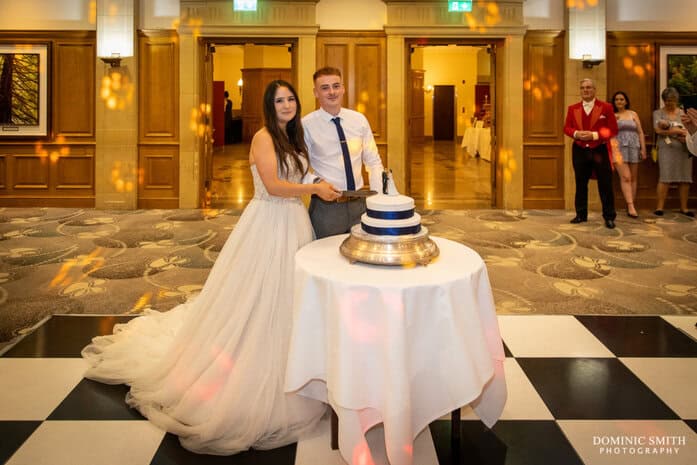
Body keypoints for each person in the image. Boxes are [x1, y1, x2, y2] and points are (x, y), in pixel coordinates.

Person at [81, 80, 340, 455]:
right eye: (279, 100)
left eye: (290, 99)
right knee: (256, 292)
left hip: (294, 224)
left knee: (288, 295)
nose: (286, 105)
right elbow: (273, 185)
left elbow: (301, 177)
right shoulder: (265, 137)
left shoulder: (293, 136)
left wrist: (319, 182)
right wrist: (313, 191)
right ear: (269, 106)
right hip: (268, 221)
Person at [302, 66, 384, 239]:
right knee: (324, 258)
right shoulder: (306, 125)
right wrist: (317, 184)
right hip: (326, 207)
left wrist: (378, 198)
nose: (332, 92)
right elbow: (299, 168)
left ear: (343, 88)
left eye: (336, 86)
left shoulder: (359, 120)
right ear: (316, 93)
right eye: (325, 88)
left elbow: (373, 161)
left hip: (359, 204)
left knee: (361, 255)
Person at [564, 78, 619, 228]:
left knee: (605, 183)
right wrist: (576, 133)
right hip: (580, 149)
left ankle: (609, 216)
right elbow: (566, 128)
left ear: (594, 90)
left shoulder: (606, 107)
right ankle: (581, 214)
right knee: (581, 183)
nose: (585, 90)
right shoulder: (572, 108)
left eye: (588, 87)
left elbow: (613, 129)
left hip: (599, 149)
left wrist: (594, 135)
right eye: (582, 88)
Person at [653, 87, 693, 217]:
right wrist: (676, 131)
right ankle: (659, 208)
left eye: (672, 100)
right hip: (666, 148)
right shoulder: (658, 113)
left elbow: (691, 130)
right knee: (665, 176)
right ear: (664, 100)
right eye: (667, 100)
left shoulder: (684, 113)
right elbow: (658, 131)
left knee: (685, 178)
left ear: (677, 100)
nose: (670, 103)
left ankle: (684, 208)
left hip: (684, 148)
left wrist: (685, 135)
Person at [611, 91, 647, 218]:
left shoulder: (633, 114)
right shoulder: (613, 116)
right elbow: (609, 134)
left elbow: (640, 132)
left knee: (633, 178)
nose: (619, 101)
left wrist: (643, 149)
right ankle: (631, 205)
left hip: (634, 147)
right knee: (626, 177)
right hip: (619, 149)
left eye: (621, 99)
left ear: (626, 101)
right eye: (616, 100)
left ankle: (630, 204)